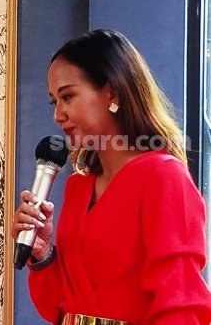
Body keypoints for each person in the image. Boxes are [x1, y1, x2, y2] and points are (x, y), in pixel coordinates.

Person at [11, 29, 211, 324]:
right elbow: (58, 308)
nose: (58, 115)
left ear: (112, 92)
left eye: (67, 96)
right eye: (54, 101)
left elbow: (180, 305)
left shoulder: (163, 177)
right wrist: (42, 255)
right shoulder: (77, 187)